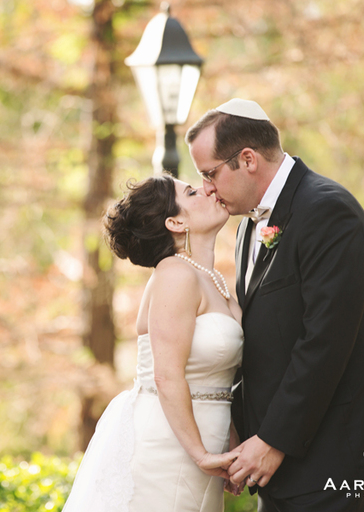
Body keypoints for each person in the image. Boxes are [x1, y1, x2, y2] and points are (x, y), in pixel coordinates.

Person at [185, 98, 364, 512]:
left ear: (248, 159)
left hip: (335, 456)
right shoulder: (246, 230)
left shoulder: (329, 211)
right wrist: (239, 424)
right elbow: (263, 341)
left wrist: (273, 440)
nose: (206, 188)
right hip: (283, 461)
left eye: (210, 173)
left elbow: (325, 342)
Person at [62, 174, 242, 512]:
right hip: (168, 446)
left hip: (205, 440)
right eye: (191, 192)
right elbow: (167, 374)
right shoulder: (175, 273)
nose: (207, 189)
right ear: (175, 222)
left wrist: (230, 437)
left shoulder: (213, 278)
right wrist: (200, 454)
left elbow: (217, 376)